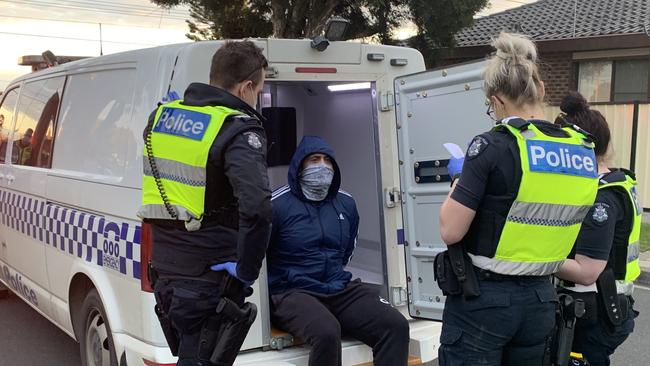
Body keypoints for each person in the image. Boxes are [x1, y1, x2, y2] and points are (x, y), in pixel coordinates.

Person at [437, 32, 600, 366]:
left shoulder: (493, 146)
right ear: (540, 89)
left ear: (496, 101)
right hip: (541, 298)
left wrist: (458, 181)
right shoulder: (582, 149)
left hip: (485, 301)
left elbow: (451, 231)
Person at [138, 41, 272, 366]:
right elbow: (257, 208)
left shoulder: (161, 117)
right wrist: (246, 271)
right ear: (246, 87)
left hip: (166, 272)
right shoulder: (237, 129)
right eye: (260, 90)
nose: (257, 99)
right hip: (208, 277)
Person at [268, 136, 410, 366]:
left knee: (395, 325)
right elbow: (261, 254)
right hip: (291, 290)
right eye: (314, 159)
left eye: (328, 161)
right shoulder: (277, 204)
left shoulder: (346, 203)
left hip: (337, 286)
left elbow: (346, 252)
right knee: (326, 332)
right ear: (300, 165)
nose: (322, 166)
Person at [554, 92, 640, 366]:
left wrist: (533, 259)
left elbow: (587, 271)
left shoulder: (600, 198)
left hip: (595, 314)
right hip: (606, 308)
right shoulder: (617, 183)